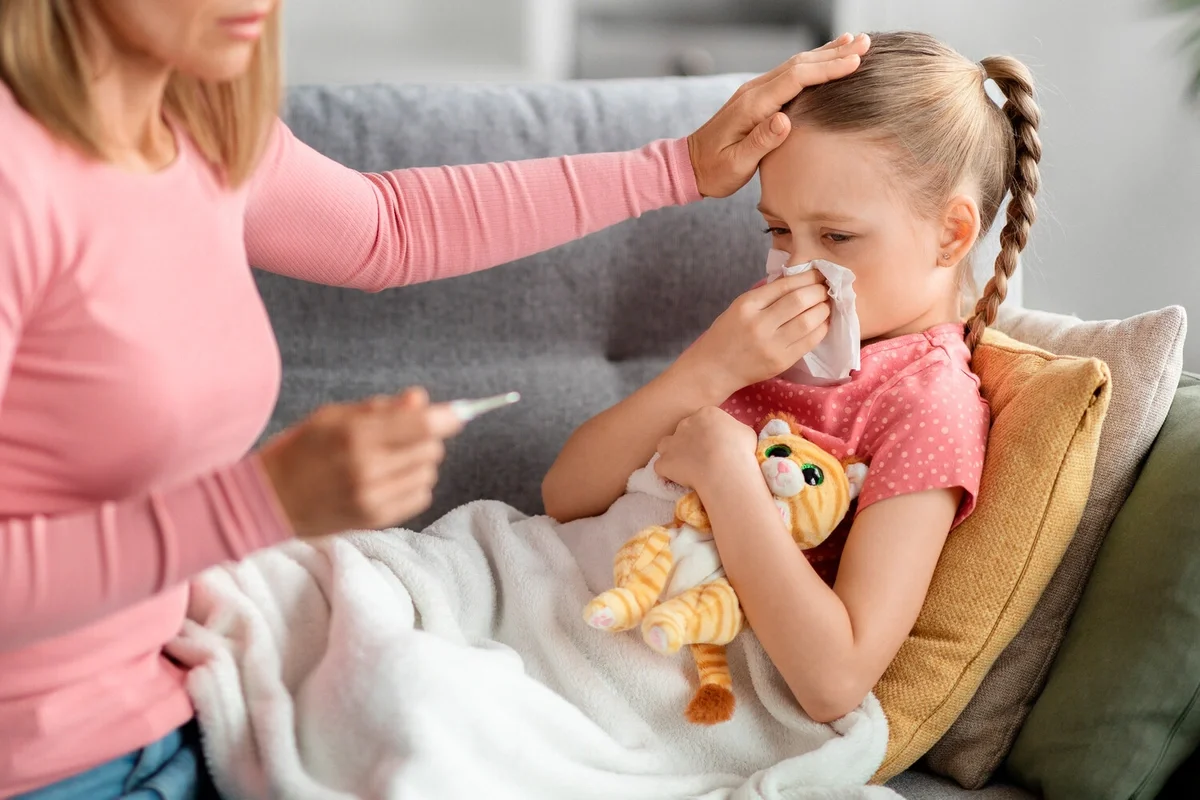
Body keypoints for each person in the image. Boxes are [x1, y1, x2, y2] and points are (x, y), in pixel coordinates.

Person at [0, 0, 872, 796]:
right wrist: (253, 505)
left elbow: (388, 228)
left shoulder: (194, 123)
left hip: (184, 698)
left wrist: (678, 167)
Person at [545, 31, 1040, 724]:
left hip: (656, 657)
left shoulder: (928, 404)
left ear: (952, 235)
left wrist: (727, 474)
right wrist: (707, 370)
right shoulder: (756, 342)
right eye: (778, 231)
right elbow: (563, 495)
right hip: (559, 581)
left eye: (836, 239)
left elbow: (835, 679)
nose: (800, 269)